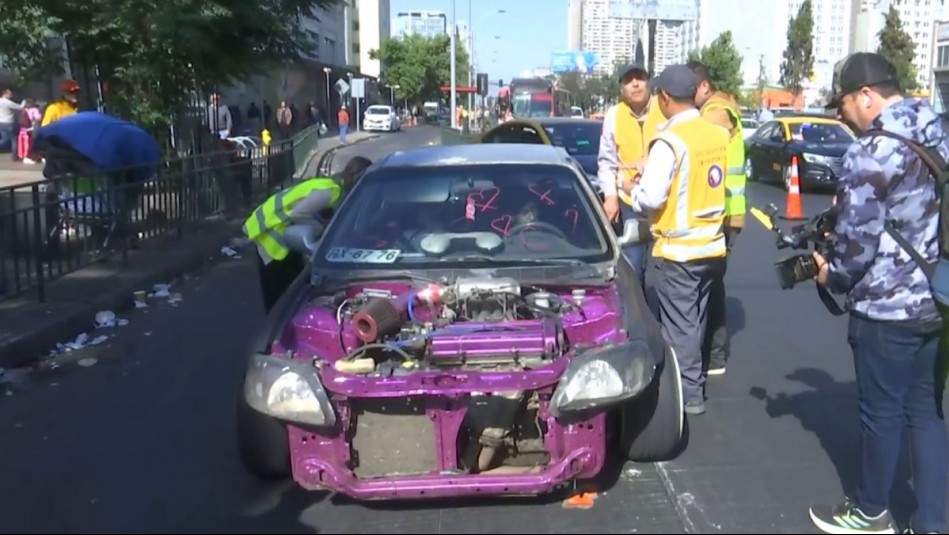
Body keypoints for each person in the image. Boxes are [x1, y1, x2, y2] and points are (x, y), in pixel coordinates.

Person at [809, 52, 949, 535]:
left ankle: (871, 513)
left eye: (844, 103)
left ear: (865, 95)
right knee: (927, 411)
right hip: (940, 298)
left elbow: (855, 245)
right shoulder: (936, 126)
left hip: (888, 308)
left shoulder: (871, 151)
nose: (841, 113)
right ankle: (931, 521)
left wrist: (832, 276)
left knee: (881, 413)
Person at [626, 64, 729, 416]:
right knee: (696, 320)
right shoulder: (715, 135)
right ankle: (692, 382)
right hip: (713, 246)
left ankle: (687, 397)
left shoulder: (669, 141)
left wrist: (632, 190)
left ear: (666, 98)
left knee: (680, 328)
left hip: (679, 251)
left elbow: (652, 198)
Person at [245, 155, 373, 311]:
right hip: (270, 234)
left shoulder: (331, 185)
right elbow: (298, 214)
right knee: (281, 298)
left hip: (272, 229)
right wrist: (324, 229)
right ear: (357, 177)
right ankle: (276, 330)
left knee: (288, 292)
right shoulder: (331, 191)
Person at [688, 61, 747, 376]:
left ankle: (714, 355)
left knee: (709, 286)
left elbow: (700, 141)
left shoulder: (717, 111)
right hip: (719, 214)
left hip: (722, 215)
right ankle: (712, 353)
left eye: (689, 89)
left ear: (704, 87)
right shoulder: (714, 108)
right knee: (711, 285)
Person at [597, 61, 667, 287]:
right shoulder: (614, 116)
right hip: (630, 203)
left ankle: (664, 319)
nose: (635, 84)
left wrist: (650, 162)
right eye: (629, 80)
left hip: (665, 202)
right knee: (633, 268)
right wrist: (610, 196)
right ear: (621, 88)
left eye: (640, 78)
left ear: (649, 83)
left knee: (666, 270)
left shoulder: (665, 108)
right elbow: (607, 161)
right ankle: (640, 316)